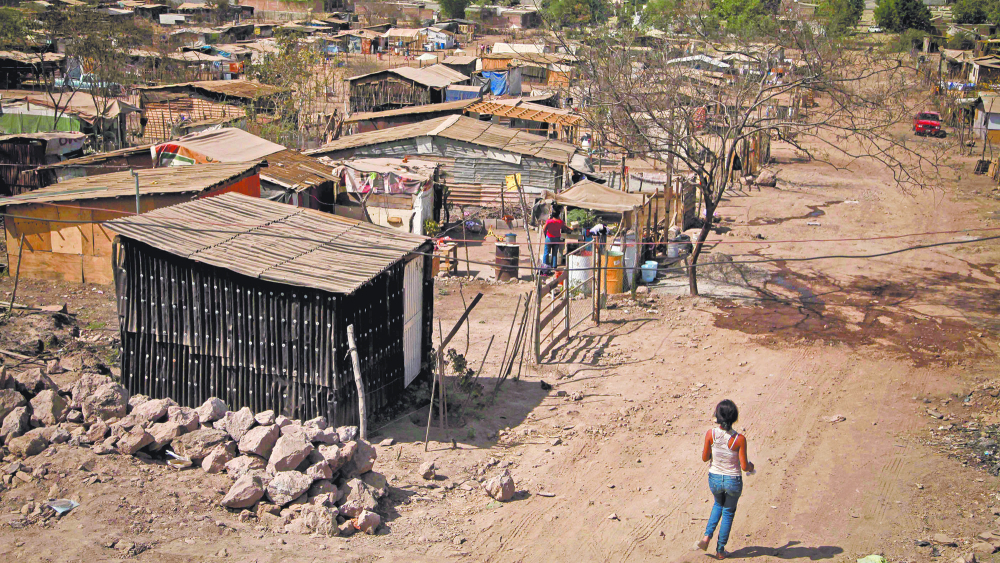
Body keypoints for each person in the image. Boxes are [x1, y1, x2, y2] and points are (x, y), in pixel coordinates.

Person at [697, 400, 754, 559]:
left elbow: (704, 458)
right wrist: (751, 467)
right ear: (735, 418)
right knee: (728, 512)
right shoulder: (739, 439)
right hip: (732, 481)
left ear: (717, 416)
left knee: (717, 504)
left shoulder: (711, 434)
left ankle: (706, 537)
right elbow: (744, 466)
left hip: (714, 478)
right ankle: (720, 550)